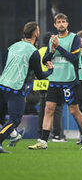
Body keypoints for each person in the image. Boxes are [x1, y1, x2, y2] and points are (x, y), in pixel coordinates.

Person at [28, 13, 82, 150]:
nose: (61, 24)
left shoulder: (74, 38)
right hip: (54, 79)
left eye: (64, 21)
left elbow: (75, 58)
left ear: (67, 24)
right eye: (59, 22)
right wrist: (51, 52)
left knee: (74, 111)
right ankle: (43, 141)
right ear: (55, 25)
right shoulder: (53, 39)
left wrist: (58, 48)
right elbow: (45, 59)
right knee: (48, 109)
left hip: (69, 80)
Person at [0, 22, 53, 154]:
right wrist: (50, 71)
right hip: (15, 88)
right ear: (35, 33)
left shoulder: (12, 46)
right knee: (15, 119)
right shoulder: (33, 52)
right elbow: (40, 75)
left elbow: (6, 64)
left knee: (1, 117)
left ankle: (14, 135)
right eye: (38, 30)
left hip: (2, 84)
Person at [36, 32, 66, 142]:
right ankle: (57, 134)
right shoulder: (53, 51)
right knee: (57, 109)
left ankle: (41, 133)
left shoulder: (38, 52)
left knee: (43, 110)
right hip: (52, 81)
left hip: (40, 82)